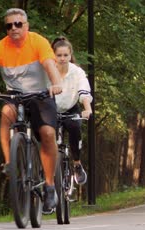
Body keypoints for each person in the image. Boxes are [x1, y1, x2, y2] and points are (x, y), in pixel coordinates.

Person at [0, 8, 63, 214]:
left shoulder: (38, 42)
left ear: (26, 26)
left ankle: (50, 186)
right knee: (6, 112)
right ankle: (9, 163)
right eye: (9, 25)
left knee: (48, 134)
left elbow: (50, 66)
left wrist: (56, 83)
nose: (14, 28)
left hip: (41, 94)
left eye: (18, 24)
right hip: (15, 95)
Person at [50, 37, 92, 185]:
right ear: (53, 55)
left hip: (70, 108)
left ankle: (77, 164)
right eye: (59, 55)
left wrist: (87, 108)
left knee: (74, 128)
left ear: (70, 55)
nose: (62, 58)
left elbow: (83, 90)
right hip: (51, 109)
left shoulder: (77, 72)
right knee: (45, 134)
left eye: (65, 55)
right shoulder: (47, 69)